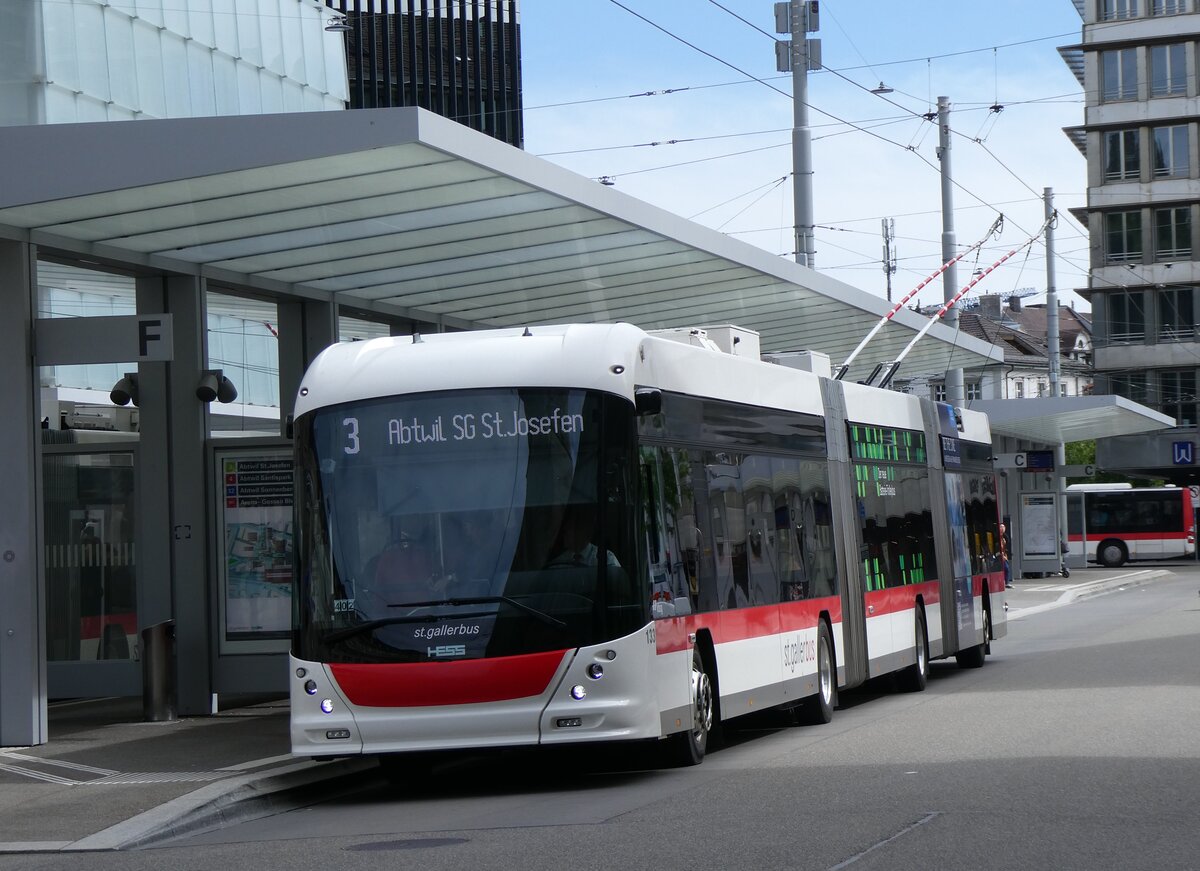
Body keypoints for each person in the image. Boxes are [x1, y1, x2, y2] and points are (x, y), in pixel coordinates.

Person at [548, 506, 620, 568]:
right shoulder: (558, 562)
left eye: (571, 527)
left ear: (586, 529)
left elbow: (616, 581)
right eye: (567, 526)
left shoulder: (606, 559)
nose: (565, 530)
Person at [1000, 522, 1013, 589]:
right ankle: (1005, 582)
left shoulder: (1005, 536)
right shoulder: (997, 536)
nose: (1002, 528)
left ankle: (1006, 582)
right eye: (1001, 527)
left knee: (1006, 568)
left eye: (1003, 527)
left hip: (1004, 555)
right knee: (1005, 568)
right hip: (999, 555)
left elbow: (1006, 545)